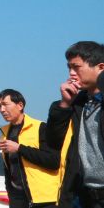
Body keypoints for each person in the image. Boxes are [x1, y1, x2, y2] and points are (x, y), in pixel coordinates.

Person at [47, 41, 104, 208]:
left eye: (76, 67)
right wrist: (65, 104)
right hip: (82, 194)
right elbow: (53, 142)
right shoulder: (77, 104)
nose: (71, 73)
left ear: (101, 67)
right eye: (69, 68)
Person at [0, 89, 60, 208]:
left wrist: (19, 148)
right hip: (18, 200)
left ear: (20, 105)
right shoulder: (4, 134)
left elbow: (53, 161)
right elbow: (9, 169)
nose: (2, 109)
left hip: (45, 199)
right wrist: (11, 193)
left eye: (5, 104)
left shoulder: (41, 128)